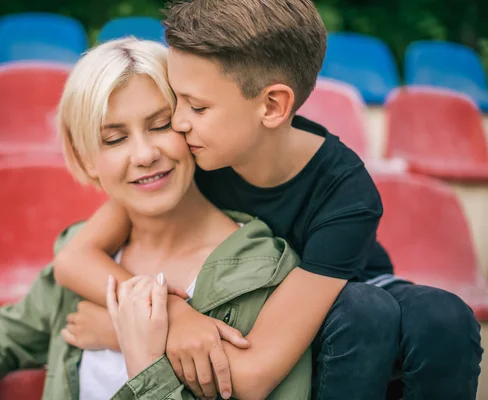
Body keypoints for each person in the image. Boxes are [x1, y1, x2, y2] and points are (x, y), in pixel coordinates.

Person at [54, 1, 483, 399]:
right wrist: (172, 313)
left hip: (340, 299)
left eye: (196, 107)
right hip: (266, 310)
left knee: (437, 316)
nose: (179, 124)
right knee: (364, 312)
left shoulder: (346, 193)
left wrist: (122, 331)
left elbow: (254, 373)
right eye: (175, 102)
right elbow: (74, 259)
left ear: (273, 106)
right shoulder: (196, 150)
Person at [0, 38, 312, 400]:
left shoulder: (265, 275)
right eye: (114, 138)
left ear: (192, 127)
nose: (144, 153)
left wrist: (147, 355)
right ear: (84, 159)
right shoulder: (85, 263)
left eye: (162, 124)